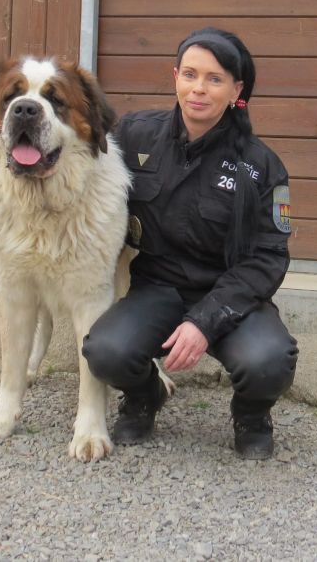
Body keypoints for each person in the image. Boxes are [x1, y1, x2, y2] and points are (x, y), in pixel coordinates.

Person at [82, 27, 298, 460]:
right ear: (175, 75)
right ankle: (145, 396)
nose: (199, 89)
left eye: (215, 79)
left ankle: (252, 414)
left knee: (269, 360)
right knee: (105, 350)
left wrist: (204, 321)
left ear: (237, 89)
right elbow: (83, 182)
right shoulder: (136, 136)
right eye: (190, 75)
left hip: (229, 296)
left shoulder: (261, 166)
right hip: (156, 289)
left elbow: (268, 256)